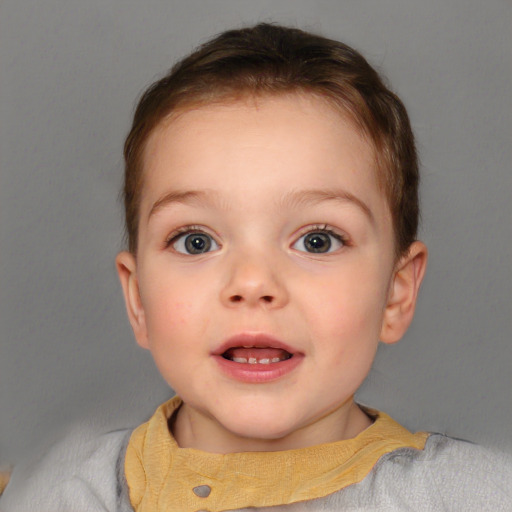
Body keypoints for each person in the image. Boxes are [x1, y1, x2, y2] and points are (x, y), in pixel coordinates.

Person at [1, 23, 510, 512]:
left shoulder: (477, 496)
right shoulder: (54, 491)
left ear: (396, 294)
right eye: (196, 241)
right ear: (138, 301)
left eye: (317, 240)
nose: (252, 283)